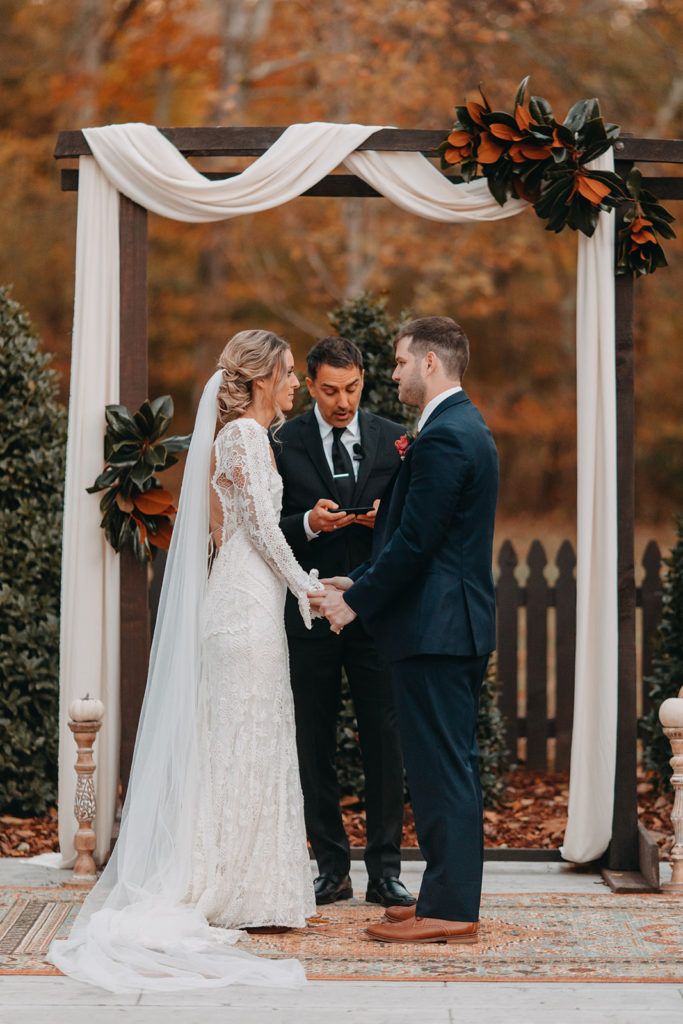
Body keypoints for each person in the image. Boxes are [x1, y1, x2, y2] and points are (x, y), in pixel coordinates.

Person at [50, 330, 323, 991]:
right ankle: (234, 886)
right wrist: (308, 588)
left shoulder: (242, 439)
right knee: (243, 741)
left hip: (244, 600)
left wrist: (295, 585)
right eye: (287, 373)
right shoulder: (245, 439)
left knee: (248, 739)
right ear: (259, 379)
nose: (295, 383)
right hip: (244, 608)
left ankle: (252, 883)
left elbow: (241, 528)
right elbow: (258, 528)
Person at [311, 316, 498, 946]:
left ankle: (449, 909)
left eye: (397, 363)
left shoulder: (448, 434)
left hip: (439, 629)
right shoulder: (451, 426)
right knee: (443, 765)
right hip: (440, 624)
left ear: (430, 364)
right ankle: (446, 894)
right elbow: (417, 537)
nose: (390, 375)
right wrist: (355, 579)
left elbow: (419, 543)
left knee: (443, 768)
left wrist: (356, 601)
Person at [274, 336, 414, 910]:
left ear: (363, 380)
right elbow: (260, 527)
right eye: (330, 390)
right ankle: (330, 869)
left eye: (352, 389)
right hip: (308, 613)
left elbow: (414, 524)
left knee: (385, 740)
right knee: (314, 740)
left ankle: (386, 872)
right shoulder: (282, 441)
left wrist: (384, 523)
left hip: (375, 613)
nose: (343, 402)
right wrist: (307, 523)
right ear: (310, 385)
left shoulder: (393, 439)